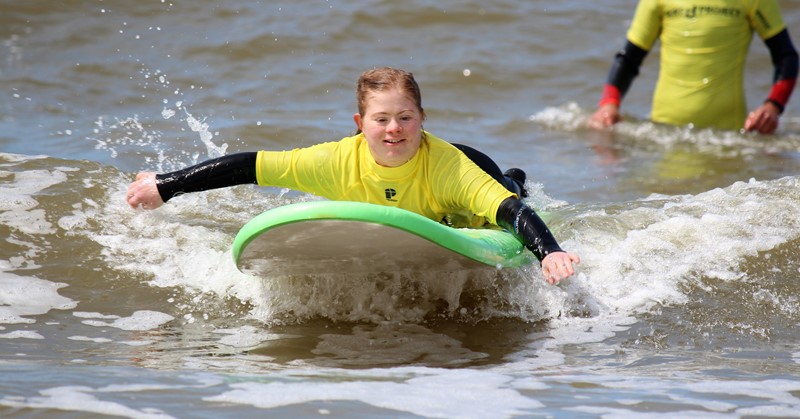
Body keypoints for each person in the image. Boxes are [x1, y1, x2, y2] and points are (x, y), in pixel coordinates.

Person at [127, 67, 580, 284]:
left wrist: (549, 252)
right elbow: (252, 165)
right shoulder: (334, 160)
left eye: (405, 117)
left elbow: (511, 212)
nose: (395, 129)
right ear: (360, 122)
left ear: (422, 117)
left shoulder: (447, 166)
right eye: (381, 119)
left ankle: (515, 172)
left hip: (469, 167)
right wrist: (165, 185)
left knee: (505, 188)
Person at [588, 0, 798, 134]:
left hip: (728, 139)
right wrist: (609, 104)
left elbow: (786, 56)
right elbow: (628, 59)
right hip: (663, 135)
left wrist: (773, 107)